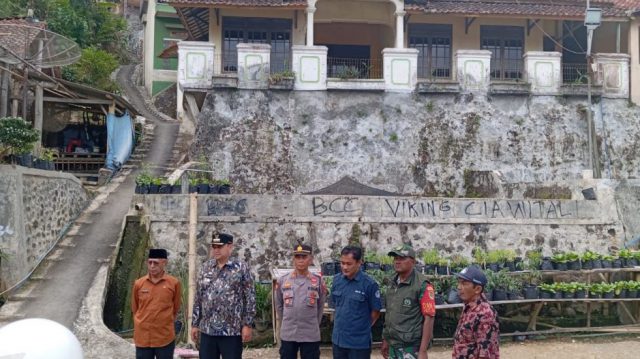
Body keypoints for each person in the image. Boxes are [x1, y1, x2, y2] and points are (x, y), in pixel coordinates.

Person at [191, 232, 256, 359]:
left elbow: (250, 297)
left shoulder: (241, 268)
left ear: (230, 246)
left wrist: (247, 324)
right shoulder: (205, 268)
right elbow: (199, 297)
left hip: (231, 331)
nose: (216, 250)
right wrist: (194, 324)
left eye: (219, 247)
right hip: (207, 330)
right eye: (213, 247)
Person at [382, 244, 436, 359]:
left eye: (402, 258)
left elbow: (429, 318)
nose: (397, 262)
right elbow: (389, 313)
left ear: (413, 262)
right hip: (393, 344)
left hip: (411, 347)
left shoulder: (422, 285)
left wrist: (422, 350)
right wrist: (386, 340)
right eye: (396, 259)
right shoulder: (392, 282)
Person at [275, 242, 326, 359]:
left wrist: (314, 323)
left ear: (311, 259)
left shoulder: (318, 281)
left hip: (310, 333)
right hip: (288, 332)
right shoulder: (282, 281)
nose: (301, 260)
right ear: (293, 259)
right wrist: (287, 322)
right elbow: (279, 305)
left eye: (304, 257)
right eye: (297, 257)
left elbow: (320, 306)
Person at [331, 245, 382, 359]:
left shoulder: (369, 284)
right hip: (338, 341)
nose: (344, 267)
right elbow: (336, 305)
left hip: (358, 343)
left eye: (349, 264)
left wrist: (361, 328)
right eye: (342, 263)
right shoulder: (337, 280)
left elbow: (376, 311)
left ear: (359, 263)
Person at [131, 248, 181, 359]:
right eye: (150, 262)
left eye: (156, 263)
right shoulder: (139, 284)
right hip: (143, 337)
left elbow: (175, 307)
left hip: (164, 337)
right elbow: (135, 309)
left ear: (164, 263)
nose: (152, 266)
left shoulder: (174, 283)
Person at [452, 265, 500, 359]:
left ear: (477, 289)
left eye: (464, 283)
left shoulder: (485, 314)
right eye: (459, 283)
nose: (459, 287)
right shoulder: (469, 307)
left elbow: (485, 354)